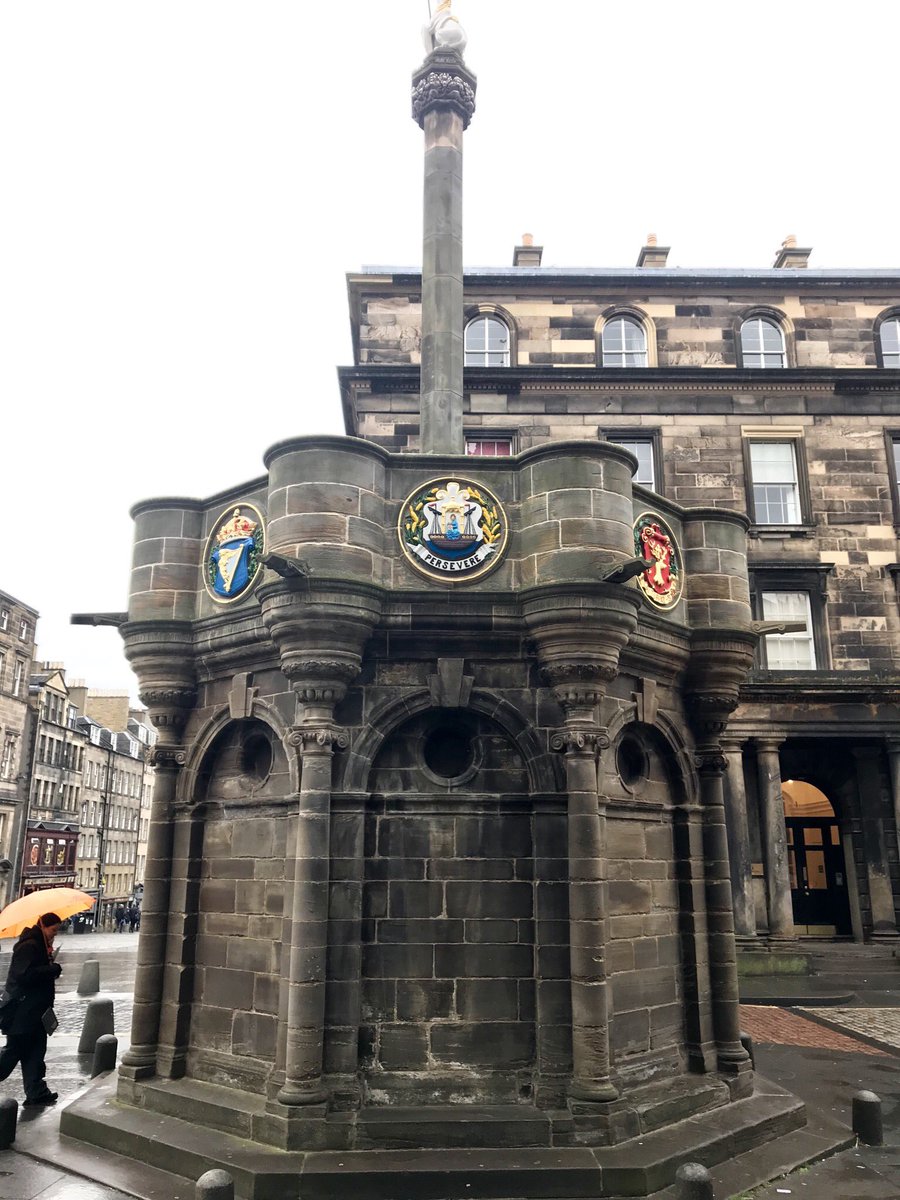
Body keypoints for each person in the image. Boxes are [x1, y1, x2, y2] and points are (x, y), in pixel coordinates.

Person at [0, 912, 62, 1105]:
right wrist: (50, 969)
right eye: (53, 930)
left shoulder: (41, 946)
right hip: (22, 1012)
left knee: (35, 1051)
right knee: (14, 1051)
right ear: (43, 926)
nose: (54, 934)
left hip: (35, 1012)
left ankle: (36, 1091)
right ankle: (36, 1090)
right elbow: (22, 976)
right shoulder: (29, 946)